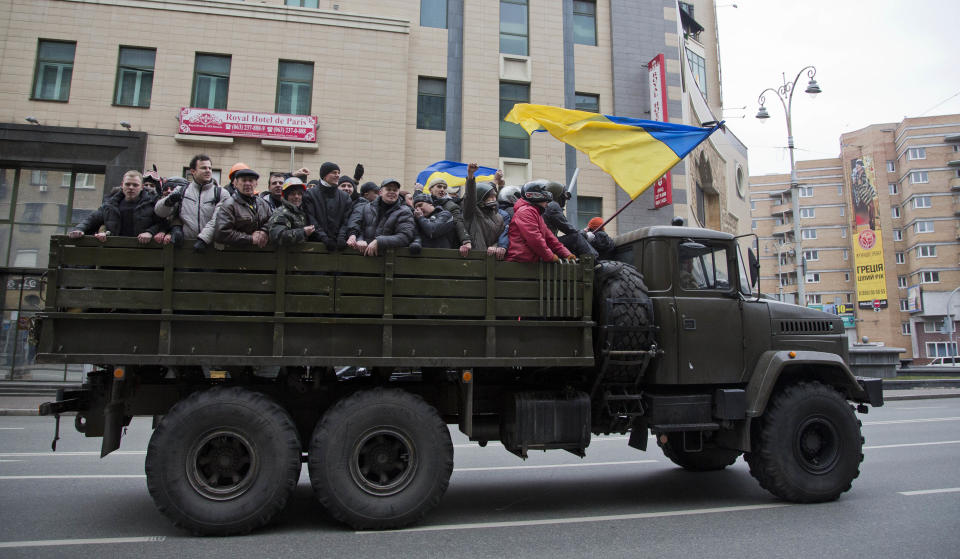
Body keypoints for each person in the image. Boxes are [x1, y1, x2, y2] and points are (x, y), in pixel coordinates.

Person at [68, 170, 160, 244]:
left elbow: (162, 223)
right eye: (127, 184)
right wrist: (79, 229)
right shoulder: (110, 204)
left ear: (142, 187)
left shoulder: (153, 203)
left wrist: (150, 232)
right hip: (114, 253)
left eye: (135, 185)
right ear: (122, 185)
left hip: (143, 255)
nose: (131, 187)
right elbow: (91, 219)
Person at [154, 154, 222, 252]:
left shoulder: (221, 193)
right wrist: (168, 201)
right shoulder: (181, 190)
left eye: (210, 168)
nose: (208, 170)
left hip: (211, 248)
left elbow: (218, 219)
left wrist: (203, 239)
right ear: (193, 171)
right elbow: (160, 212)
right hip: (184, 247)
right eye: (203, 168)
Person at [506, 182, 575, 263]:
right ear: (536, 196)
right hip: (522, 262)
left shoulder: (535, 213)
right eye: (545, 199)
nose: (547, 202)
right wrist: (550, 256)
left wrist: (567, 254)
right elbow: (534, 239)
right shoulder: (525, 212)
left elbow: (550, 238)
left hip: (531, 261)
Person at [346, 178, 415, 256]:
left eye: (395, 190)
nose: (392, 192)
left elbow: (405, 236)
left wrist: (379, 241)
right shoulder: (367, 208)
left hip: (389, 257)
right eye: (388, 189)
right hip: (363, 255)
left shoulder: (405, 211)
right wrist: (360, 239)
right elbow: (359, 227)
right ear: (380, 192)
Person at [213, 165, 271, 248]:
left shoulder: (263, 204)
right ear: (236, 183)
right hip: (236, 255)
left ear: (256, 184)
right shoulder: (229, 205)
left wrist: (264, 231)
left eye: (251, 181)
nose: (247, 183)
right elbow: (221, 233)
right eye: (244, 180)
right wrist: (250, 239)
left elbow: (272, 221)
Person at [540, 180, 598, 258]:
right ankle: (595, 262)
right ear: (557, 195)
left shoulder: (547, 205)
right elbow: (568, 229)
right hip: (548, 244)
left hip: (545, 243)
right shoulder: (553, 205)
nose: (565, 197)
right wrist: (585, 234)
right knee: (576, 237)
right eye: (563, 193)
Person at [303, 161, 352, 251]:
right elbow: (310, 218)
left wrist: (341, 237)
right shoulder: (310, 194)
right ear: (324, 175)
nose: (337, 175)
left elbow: (346, 220)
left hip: (339, 245)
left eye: (338, 173)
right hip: (315, 245)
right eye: (334, 172)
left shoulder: (345, 197)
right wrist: (324, 238)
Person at [463, 162, 508, 259]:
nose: (493, 199)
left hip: (492, 261)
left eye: (494, 197)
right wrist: (470, 175)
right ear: (481, 198)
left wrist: (495, 247)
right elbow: (470, 196)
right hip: (474, 259)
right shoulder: (472, 213)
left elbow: (501, 237)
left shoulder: (499, 217)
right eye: (489, 197)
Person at [426, 177, 471, 256]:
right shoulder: (424, 203)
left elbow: (458, 222)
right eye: (439, 186)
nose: (442, 189)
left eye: (444, 188)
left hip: (445, 247)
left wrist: (466, 241)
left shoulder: (451, 206)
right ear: (430, 190)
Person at [267, 177, 316, 246]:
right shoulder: (281, 213)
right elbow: (277, 236)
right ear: (286, 196)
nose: (296, 196)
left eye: (299, 194)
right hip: (285, 255)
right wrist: (303, 232)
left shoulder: (304, 211)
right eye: (292, 194)